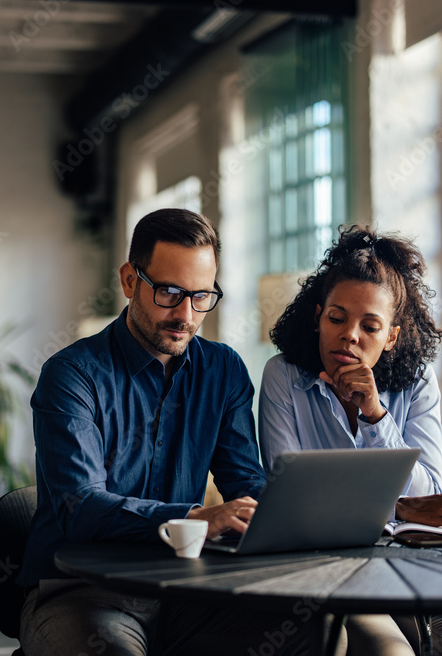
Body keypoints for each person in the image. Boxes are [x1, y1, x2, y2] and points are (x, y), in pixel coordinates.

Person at [17, 208, 312, 656]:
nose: (185, 315)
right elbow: (80, 507)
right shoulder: (71, 376)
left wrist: (304, 513)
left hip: (184, 589)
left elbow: (245, 481)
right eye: (169, 292)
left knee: (312, 634)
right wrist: (195, 517)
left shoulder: (224, 370)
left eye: (201, 296)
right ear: (130, 281)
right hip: (79, 591)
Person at [259, 225, 442, 656]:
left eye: (370, 325)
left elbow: (430, 492)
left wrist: (375, 414)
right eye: (337, 318)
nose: (350, 335)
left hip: (418, 563)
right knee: (391, 652)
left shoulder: (417, 384)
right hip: (328, 571)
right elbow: (292, 500)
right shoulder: (283, 378)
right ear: (317, 317)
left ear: (392, 336)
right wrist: (398, 508)